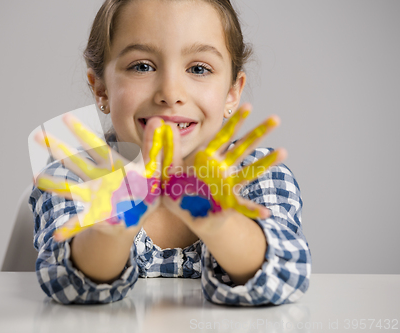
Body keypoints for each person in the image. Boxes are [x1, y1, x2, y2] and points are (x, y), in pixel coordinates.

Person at [28, 0, 311, 306]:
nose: (170, 93)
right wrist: (113, 224)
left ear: (232, 92)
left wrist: (218, 221)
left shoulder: (256, 175)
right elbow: (64, 285)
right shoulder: (74, 176)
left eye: (199, 68)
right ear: (101, 90)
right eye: (142, 66)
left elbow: (287, 277)